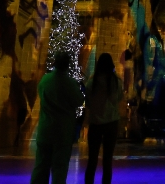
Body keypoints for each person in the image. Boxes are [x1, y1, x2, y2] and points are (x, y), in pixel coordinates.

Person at [32, 51, 86, 184]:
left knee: (40, 167)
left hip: (45, 130)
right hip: (62, 132)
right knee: (59, 169)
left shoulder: (45, 80)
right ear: (68, 65)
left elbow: (40, 92)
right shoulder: (69, 83)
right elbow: (79, 100)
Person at [84, 53, 123, 184]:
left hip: (95, 123)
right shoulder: (116, 82)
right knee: (108, 160)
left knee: (92, 159)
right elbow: (119, 98)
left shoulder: (92, 82)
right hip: (111, 123)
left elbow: (88, 101)